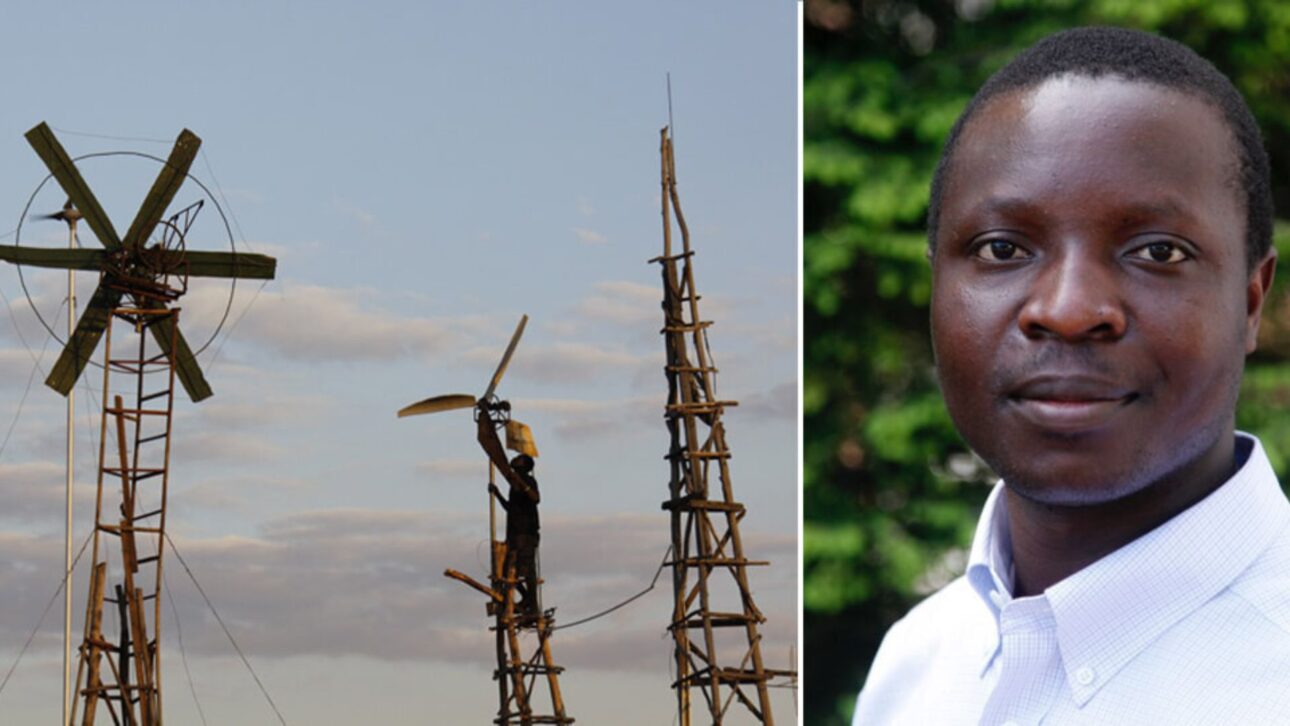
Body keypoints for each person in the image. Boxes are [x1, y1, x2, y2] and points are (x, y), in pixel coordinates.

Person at [854, 27, 1290, 724]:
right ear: (936, 285)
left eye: (1157, 251)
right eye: (1002, 247)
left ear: (1250, 300)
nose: (1068, 309)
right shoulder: (914, 669)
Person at [490, 453, 541, 616]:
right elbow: (510, 508)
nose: (514, 459)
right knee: (507, 570)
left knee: (528, 571)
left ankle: (532, 606)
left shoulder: (528, 481)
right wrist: (497, 494)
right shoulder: (513, 486)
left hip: (526, 533)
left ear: (524, 465)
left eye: (519, 458)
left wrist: (520, 481)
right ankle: (527, 599)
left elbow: (536, 497)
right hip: (515, 533)